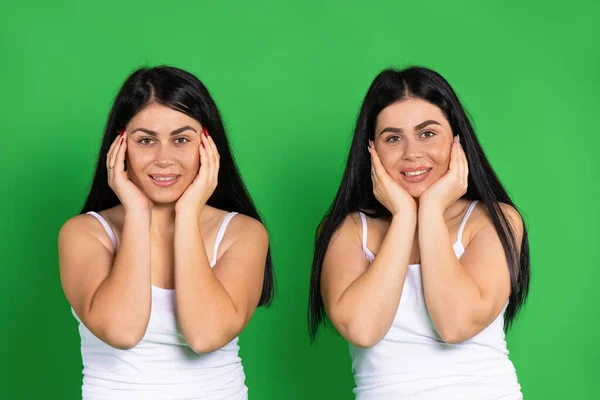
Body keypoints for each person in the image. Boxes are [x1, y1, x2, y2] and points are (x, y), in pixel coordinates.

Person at [308, 66, 529, 399]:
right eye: (393, 138)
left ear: (457, 139)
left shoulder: (494, 220)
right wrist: (403, 216)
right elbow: (362, 329)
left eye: (428, 133)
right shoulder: (347, 230)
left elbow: (455, 324)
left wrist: (431, 208)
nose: (411, 153)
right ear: (371, 150)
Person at [58, 66, 274, 399]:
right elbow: (123, 330)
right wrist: (137, 213)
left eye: (181, 140)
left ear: (207, 146)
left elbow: (205, 336)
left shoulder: (242, 233)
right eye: (146, 140)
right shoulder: (85, 233)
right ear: (120, 146)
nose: (164, 159)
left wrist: (186, 213)